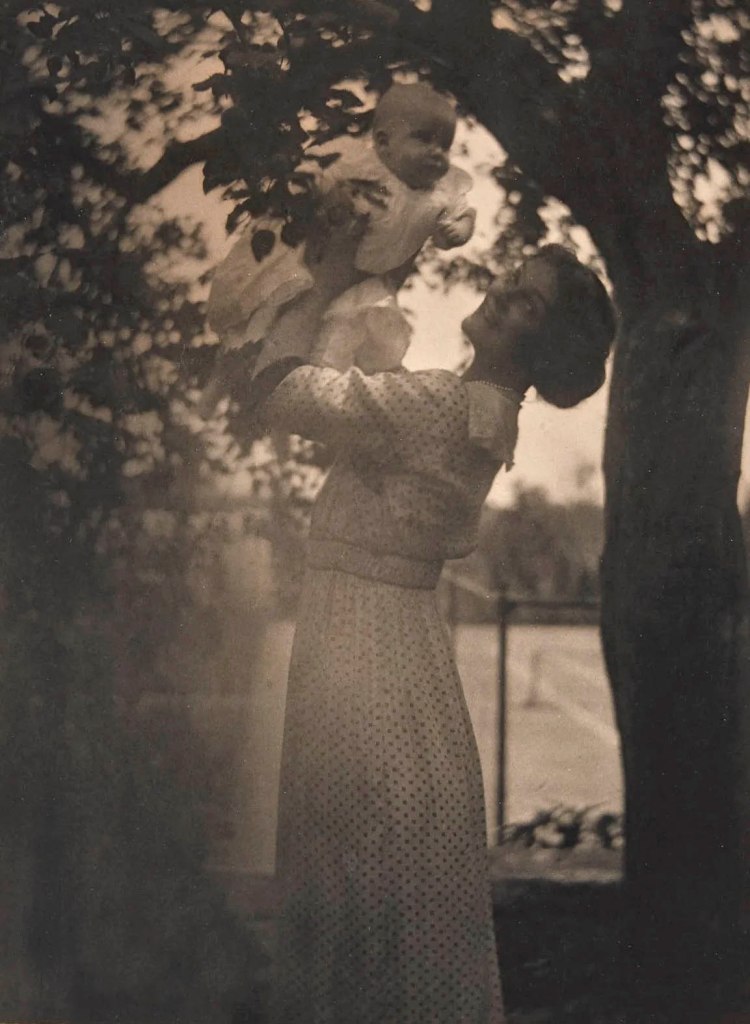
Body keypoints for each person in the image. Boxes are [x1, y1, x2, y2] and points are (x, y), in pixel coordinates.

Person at [253, 244, 616, 1023]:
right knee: (379, 895)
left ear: (541, 342)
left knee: (356, 885)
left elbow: (278, 394)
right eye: (514, 279)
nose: (503, 289)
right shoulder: (469, 408)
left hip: (366, 658)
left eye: (528, 301)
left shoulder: (442, 408)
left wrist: (315, 271)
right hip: (393, 655)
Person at [200, 83, 476, 413]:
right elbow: (317, 175)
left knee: (334, 343)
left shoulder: (442, 193)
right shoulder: (362, 166)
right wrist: (312, 192)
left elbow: (463, 216)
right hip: (316, 262)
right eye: (424, 138)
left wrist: (456, 231)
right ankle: (233, 381)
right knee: (284, 317)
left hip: (368, 283)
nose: (437, 152)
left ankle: (290, 401)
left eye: (444, 146)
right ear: (384, 143)